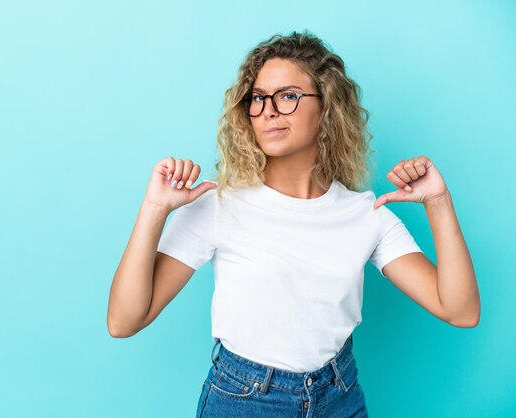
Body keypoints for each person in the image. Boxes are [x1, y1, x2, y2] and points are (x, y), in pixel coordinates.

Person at [107, 30, 480, 417]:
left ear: (328, 107)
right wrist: (154, 209)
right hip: (245, 400)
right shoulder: (217, 204)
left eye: (287, 96)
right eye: (258, 98)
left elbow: (460, 311)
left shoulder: (366, 215)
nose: (268, 110)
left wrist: (438, 202)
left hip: (340, 396)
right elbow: (124, 320)